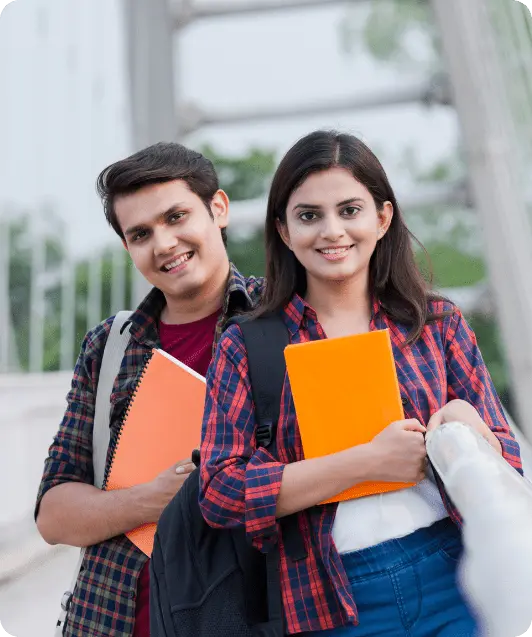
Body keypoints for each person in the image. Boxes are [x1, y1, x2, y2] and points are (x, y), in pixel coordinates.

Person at [199, 130, 523, 636]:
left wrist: (471, 425)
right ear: (284, 230)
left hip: (452, 570)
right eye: (309, 216)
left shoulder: (436, 324)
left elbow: (508, 460)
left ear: (382, 217)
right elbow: (220, 491)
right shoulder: (247, 345)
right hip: (329, 597)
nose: (332, 231)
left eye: (350, 210)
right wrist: (364, 464)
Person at [35, 142, 263, 637]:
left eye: (177, 216)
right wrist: (151, 499)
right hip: (111, 622)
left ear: (218, 209)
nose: (164, 243)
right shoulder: (110, 345)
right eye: (141, 233)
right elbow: (54, 513)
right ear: (128, 247)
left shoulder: (285, 321)